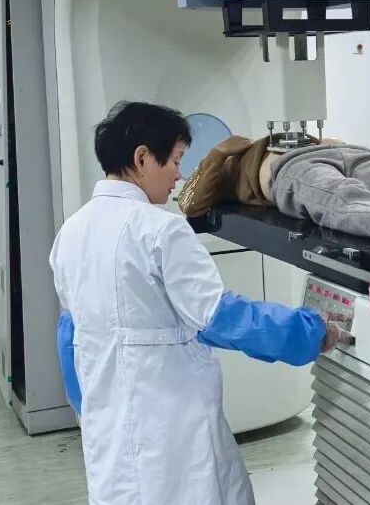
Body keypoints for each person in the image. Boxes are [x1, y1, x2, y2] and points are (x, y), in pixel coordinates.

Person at [49, 101, 344, 505]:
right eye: (175, 160)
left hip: (109, 429)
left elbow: (69, 339)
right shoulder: (160, 230)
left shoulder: (71, 231)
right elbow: (222, 318)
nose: (179, 175)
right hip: (173, 428)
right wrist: (311, 332)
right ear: (142, 158)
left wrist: (99, 409)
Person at [178, 134, 370, 240]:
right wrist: (218, 153)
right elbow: (189, 203)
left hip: (341, 150)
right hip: (290, 168)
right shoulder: (218, 166)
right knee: (335, 195)